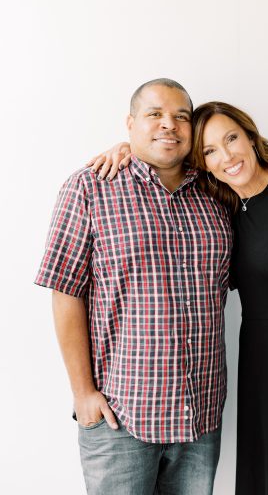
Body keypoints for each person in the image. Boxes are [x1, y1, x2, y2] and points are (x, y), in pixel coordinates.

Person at [97, 101, 268, 494]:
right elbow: (163, 160)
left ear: (251, 137)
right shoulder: (224, 206)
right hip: (263, 363)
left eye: (231, 139)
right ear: (202, 164)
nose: (227, 156)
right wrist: (126, 149)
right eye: (210, 150)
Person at [35, 79, 233, 495]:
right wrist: (83, 394)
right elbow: (65, 291)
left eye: (181, 116)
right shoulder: (89, 187)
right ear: (130, 124)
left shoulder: (216, 194)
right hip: (121, 418)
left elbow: (263, 265)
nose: (169, 124)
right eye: (154, 114)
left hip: (199, 419)